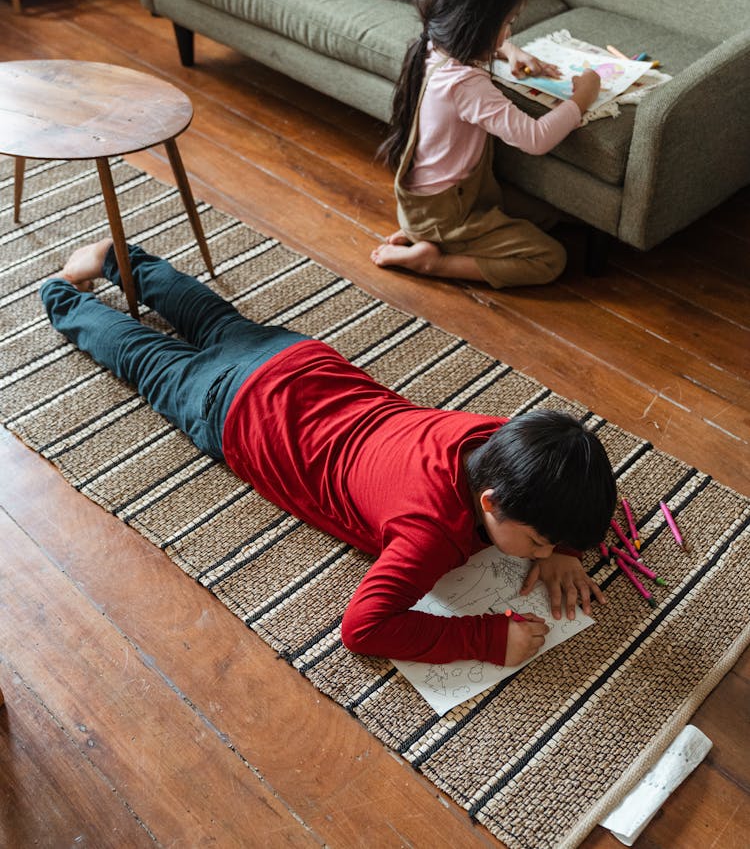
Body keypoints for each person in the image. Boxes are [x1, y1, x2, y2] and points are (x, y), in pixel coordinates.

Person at [40, 239, 616, 668]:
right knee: (143, 359)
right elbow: (363, 629)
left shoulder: (494, 435)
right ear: (490, 501)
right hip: (233, 414)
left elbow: (561, 473)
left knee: (212, 318)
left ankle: (119, 258)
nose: (535, 554)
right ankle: (59, 295)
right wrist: (485, 639)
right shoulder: (429, 534)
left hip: (299, 361)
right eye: (538, 540)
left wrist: (562, 547)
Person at [371, 0, 602, 287]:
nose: (509, 31)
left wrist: (509, 49)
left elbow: (485, 40)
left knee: (554, 214)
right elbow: (535, 139)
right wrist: (583, 97)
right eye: (506, 23)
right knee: (550, 258)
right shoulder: (465, 84)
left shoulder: (434, 46)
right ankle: (434, 260)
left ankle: (422, 234)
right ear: (478, 23)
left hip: (444, 198)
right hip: (451, 210)